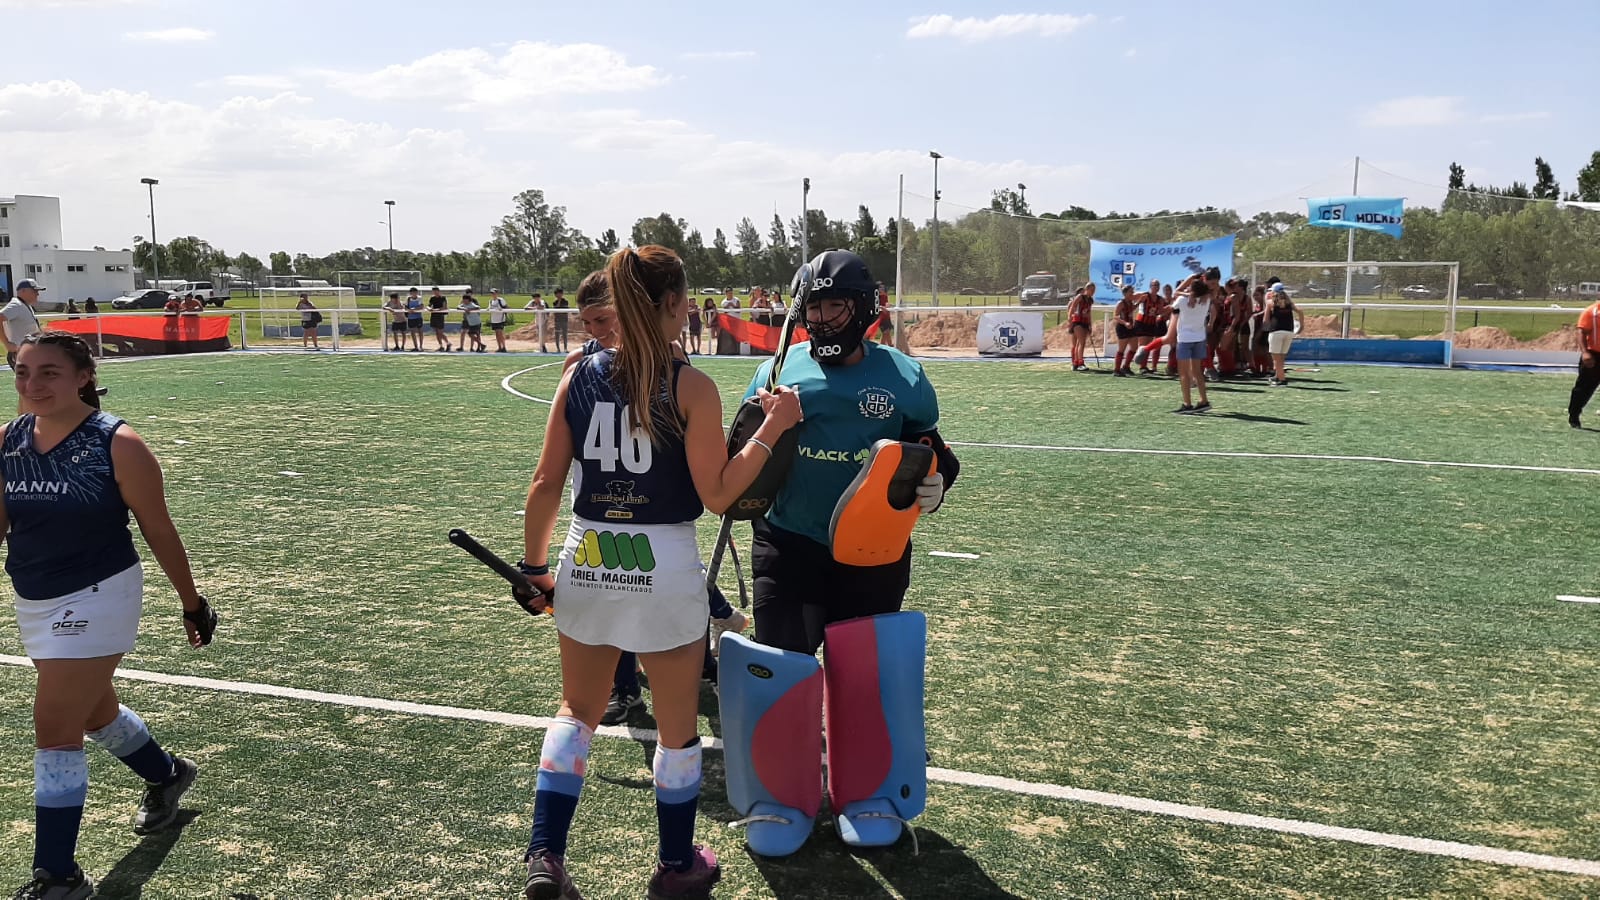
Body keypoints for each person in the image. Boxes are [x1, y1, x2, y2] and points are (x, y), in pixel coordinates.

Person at [516, 245, 801, 899]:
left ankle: (546, 855)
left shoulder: (577, 375)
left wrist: (534, 567)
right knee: (677, 730)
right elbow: (720, 494)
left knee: (576, 711)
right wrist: (773, 428)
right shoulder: (690, 385)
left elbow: (545, 483)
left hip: (589, 554)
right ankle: (676, 866)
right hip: (664, 565)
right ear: (674, 304)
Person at [3, 331, 218, 900]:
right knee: (95, 713)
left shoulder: (117, 443)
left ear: (82, 378)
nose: (32, 384)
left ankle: (58, 876)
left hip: (100, 593)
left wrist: (191, 602)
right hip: (35, 596)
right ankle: (167, 774)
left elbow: (158, 529)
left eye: (49, 372)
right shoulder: (7, 440)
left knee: (54, 726)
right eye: (23, 371)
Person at [746, 250, 958, 656]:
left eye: (835, 305)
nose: (822, 318)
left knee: (859, 676)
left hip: (872, 550)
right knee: (785, 669)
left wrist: (937, 483)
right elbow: (747, 448)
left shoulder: (904, 376)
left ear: (862, 307)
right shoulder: (775, 370)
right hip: (789, 544)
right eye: (814, 307)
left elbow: (931, 450)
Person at [1169, 276, 1215, 414]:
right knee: (1197, 372)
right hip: (1199, 338)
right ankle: (1203, 400)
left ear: (1192, 290)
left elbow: (1175, 293)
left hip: (1185, 339)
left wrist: (1187, 292)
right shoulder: (1206, 300)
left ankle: (1187, 404)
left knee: (1183, 373)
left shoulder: (1183, 300)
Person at [1568, 295, 1599, 428]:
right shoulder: (1591, 312)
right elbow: (1581, 332)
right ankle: (1574, 415)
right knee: (1584, 389)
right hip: (1594, 355)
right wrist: (1585, 353)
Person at [1264, 283, 1304, 386]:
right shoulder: (1289, 303)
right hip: (1289, 332)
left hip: (1276, 332)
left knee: (1276, 358)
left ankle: (1282, 380)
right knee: (1281, 357)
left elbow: (1266, 320)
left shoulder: (1270, 303)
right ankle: (1277, 376)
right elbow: (1300, 311)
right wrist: (1301, 326)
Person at [3, 278, 46, 369]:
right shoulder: (16, 305)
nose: (37, 294)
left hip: (27, 352)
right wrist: (7, 344)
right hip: (19, 352)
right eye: (34, 291)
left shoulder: (24, 305)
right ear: (23, 291)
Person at [1067, 283, 1095, 371]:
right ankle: (1080, 363)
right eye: (1092, 290)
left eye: (1094, 290)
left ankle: (1076, 363)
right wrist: (1070, 319)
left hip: (1085, 322)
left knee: (1080, 343)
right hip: (1077, 321)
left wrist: (1090, 325)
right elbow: (1072, 307)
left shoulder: (1090, 300)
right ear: (1087, 289)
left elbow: (1089, 313)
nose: (1093, 292)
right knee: (1081, 342)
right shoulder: (1080, 297)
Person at [1112, 285, 1139, 376]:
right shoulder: (1121, 303)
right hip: (1122, 327)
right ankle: (1116, 370)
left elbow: (1132, 308)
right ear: (1125, 293)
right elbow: (1115, 316)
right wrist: (1125, 323)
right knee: (1121, 349)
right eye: (1130, 292)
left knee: (1134, 347)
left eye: (1132, 291)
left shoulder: (1130, 302)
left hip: (1131, 326)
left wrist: (1139, 302)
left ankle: (1126, 367)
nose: (1132, 293)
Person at [427, 287, 450, 352]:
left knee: (440, 332)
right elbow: (429, 305)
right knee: (437, 332)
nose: (435, 292)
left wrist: (435, 310)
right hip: (434, 315)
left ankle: (448, 343)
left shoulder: (443, 298)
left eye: (436, 291)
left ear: (439, 291)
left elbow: (444, 307)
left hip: (440, 316)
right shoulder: (432, 298)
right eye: (434, 291)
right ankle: (441, 346)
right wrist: (429, 308)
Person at [551, 287, 571, 352]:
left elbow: (565, 309)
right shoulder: (555, 302)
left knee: (564, 334)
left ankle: (565, 348)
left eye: (560, 293)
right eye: (557, 294)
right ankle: (558, 348)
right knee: (557, 334)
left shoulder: (565, 301)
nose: (558, 295)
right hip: (557, 320)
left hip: (564, 320)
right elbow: (556, 308)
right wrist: (559, 301)